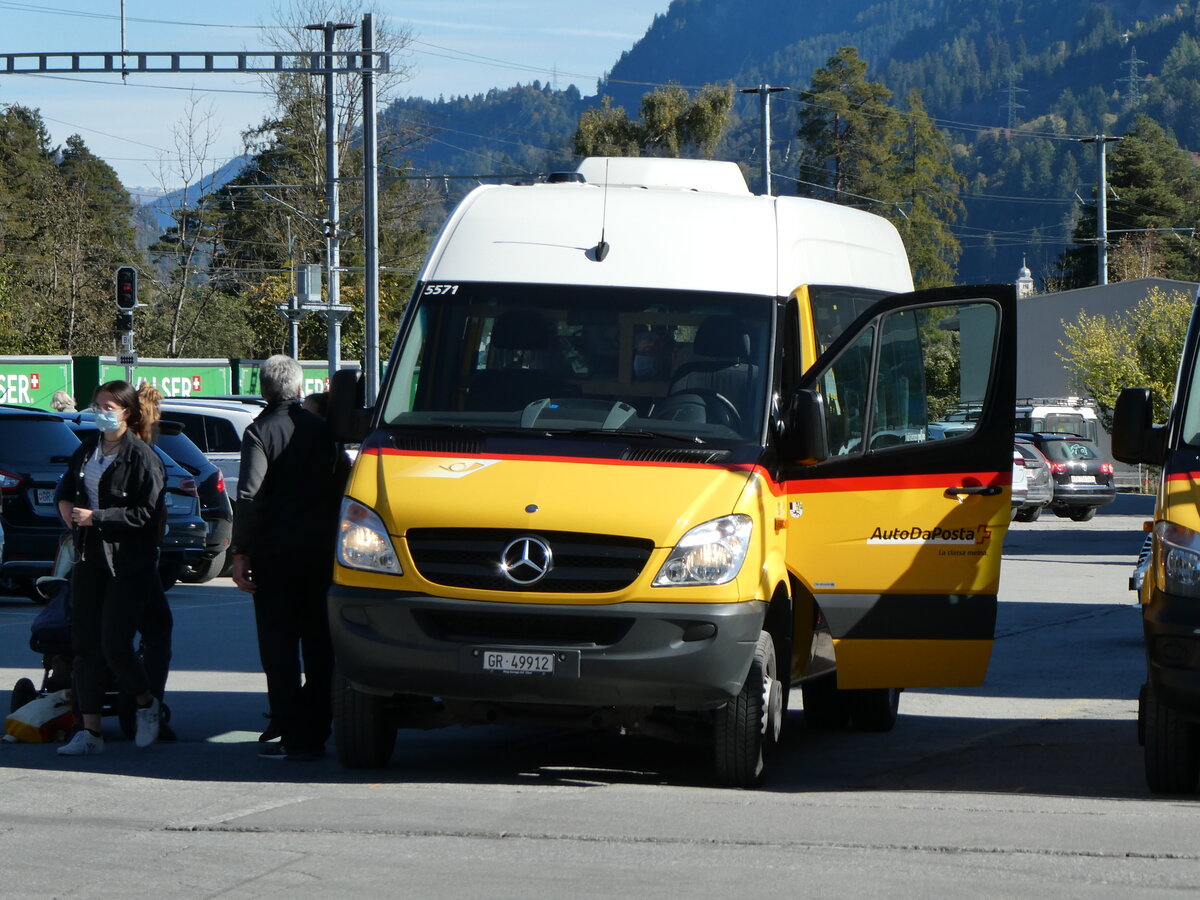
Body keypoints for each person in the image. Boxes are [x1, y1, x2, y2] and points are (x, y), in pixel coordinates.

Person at [230, 355, 346, 761]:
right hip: (322, 553)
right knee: (320, 644)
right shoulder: (324, 430)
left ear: (264, 389)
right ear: (298, 388)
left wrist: (240, 552)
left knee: (278, 648)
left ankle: (290, 731)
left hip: (275, 555)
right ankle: (317, 730)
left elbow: (250, 496)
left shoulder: (259, 431)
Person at [55, 381, 166, 756]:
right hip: (89, 559)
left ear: (127, 413)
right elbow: (67, 488)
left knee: (115, 645)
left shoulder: (142, 458)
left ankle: (146, 702)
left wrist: (97, 517)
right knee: (85, 646)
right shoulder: (87, 450)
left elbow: (145, 514)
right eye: (98, 405)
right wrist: (66, 507)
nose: (101, 413)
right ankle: (90, 732)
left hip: (127, 564)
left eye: (109, 407)